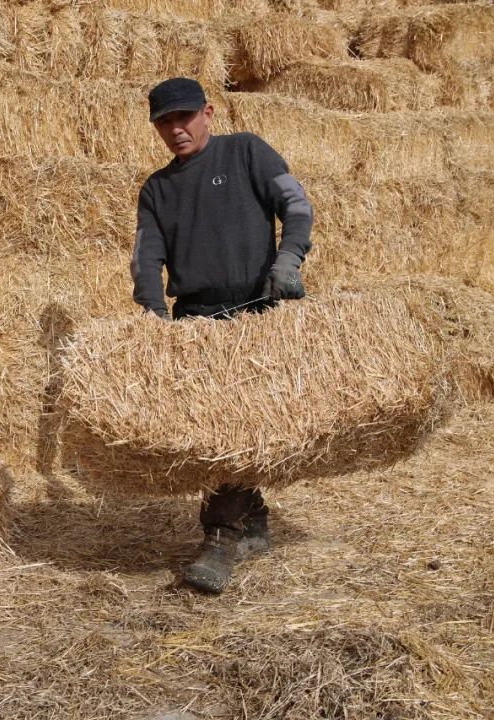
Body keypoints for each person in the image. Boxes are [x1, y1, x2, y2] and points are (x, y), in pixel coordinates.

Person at [131, 77, 314, 594]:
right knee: (216, 434)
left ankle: (219, 540)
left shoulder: (246, 152)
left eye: (184, 117)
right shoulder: (157, 189)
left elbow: (296, 205)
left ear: (208, 113)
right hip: (196, 321)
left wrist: (288, 260)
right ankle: (253, 520)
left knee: (236, 430)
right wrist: (154, 319)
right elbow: (146, 257)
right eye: (165, 122)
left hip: (256, 314)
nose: (176, 129)